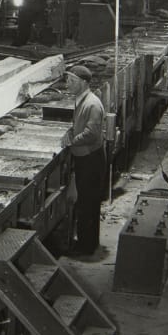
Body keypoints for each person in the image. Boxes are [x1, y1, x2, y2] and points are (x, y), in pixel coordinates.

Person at [61, 64, 107, 256]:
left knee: (88, 203)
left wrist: (71, 142)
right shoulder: (81, 100)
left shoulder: (92, 104)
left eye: (71, 81)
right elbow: (78, 125)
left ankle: (86, 247)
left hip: (90, 159)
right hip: (85, 157)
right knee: (86, 202)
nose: (67, 84)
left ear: (82, 82)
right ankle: (87, 242)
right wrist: (69, 132)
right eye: (67, 80)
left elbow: (91, 134)